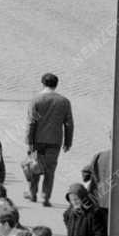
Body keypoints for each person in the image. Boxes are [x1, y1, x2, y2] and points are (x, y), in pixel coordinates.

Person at [25, 72, 74, 207]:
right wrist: (68, 142)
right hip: (55, 140)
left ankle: (33, 193)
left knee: (34, 165)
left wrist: (29, 142)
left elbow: (31, 122)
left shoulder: (36, 100)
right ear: (56, 85)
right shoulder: (64, 101)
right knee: (50, 169)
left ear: (42, 83)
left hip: (37, 140)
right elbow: (69, 123)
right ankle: (46, 196)